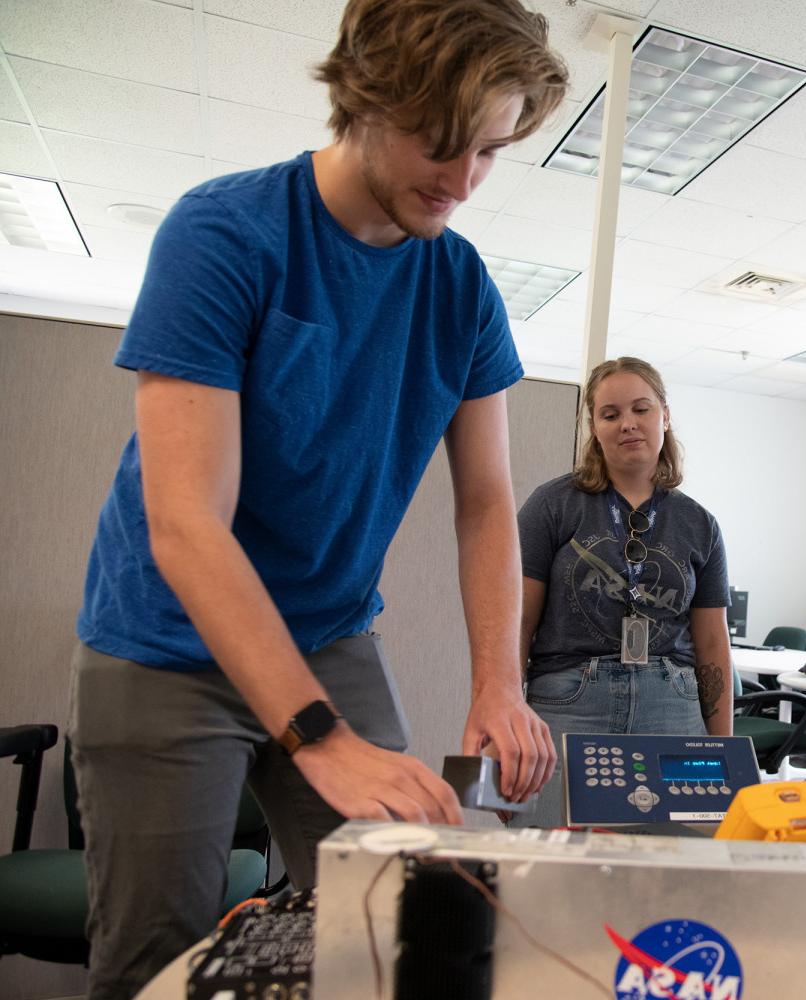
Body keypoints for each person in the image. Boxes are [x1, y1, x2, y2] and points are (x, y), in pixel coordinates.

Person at [67, 2, 567, 996]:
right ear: (366, 98)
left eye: (491, 154)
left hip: (334, 634)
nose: (464, 183)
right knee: (156, 958)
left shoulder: (462, 287)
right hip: (165, 642)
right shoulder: (227, 233)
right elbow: (187, 522)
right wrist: (323, 738)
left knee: (398, 920)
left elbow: (484, 505)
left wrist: (496, 684)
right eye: (441, 143)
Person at [516, 357, 733, 827]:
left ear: (665, 416)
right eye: (610, 414)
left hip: (672, 704)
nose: (628, 424)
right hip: (569, 703)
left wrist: (725, 750)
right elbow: (518, 625)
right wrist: (506, 721)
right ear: (593, 426)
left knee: (673, 870)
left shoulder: (700, 524)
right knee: (549, 864)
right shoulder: (551, 505)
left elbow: (714, 644)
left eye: (641, 409)